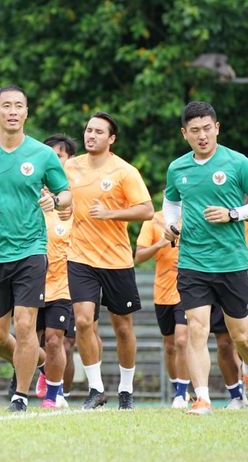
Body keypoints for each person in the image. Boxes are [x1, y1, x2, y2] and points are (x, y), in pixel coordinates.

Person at [0, 85, 72, 412]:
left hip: (31, 250)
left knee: (24, 324)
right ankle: (37, 361)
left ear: (26, 112)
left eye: (18, 106)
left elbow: (66, 195)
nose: (12, 111)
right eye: (5, 106)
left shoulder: (43, 154)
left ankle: (19, 397)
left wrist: (55, 199)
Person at [163, 101, 248, 414]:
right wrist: (171, 226)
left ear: (217, 128)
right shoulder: (178, 168)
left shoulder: (238, 163)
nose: (202, 135)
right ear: (184, 134)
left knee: (241, 335)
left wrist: (233, 213)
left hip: (231, 262)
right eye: (195, 131)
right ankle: (202, 397)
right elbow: (171, 202)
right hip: (192, 262)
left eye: (207, 128)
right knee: (196, 329)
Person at [65, 111, 153, 410]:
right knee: (82, 321)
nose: (91, 135)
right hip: (79, 257)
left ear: (111, 139)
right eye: (89, 130)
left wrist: (111, 214)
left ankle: (126, 390)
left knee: (123, 328)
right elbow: (60, 198)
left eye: (99, 132)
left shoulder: (124, 171)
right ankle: (96, 388)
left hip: (116, 260)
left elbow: (146, 210)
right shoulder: (70, 166)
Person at [34, 134, 78, 409]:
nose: (53, 160)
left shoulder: (77, 196)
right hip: (32, 282)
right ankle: (44, 371)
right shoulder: (33, 193)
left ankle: (56, 393)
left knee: (59, 341)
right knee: (31, 339)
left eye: (58, 156)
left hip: (66, 284)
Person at [135, 210, 190, 408]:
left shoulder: (192, 216)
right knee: (169, 345)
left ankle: (182, 394)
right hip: (163, 292)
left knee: (183, 340)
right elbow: (139, 256)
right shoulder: (153, 220)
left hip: (188, 289)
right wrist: (160, 243)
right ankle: (177, 389)